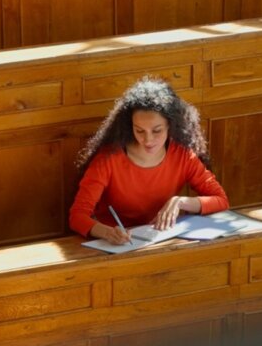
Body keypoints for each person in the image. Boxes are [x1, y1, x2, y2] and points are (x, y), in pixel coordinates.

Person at [69, 76, 229, 245]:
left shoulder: (182, 155)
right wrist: (106, 233)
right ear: (130, 127)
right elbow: (77, 215)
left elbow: (221, 200)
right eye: (139, 131)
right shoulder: (108, 160)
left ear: (170, 126)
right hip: (118, 246)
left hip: (161, 241)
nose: (148, 140)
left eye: (157, 130)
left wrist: (180, 202)